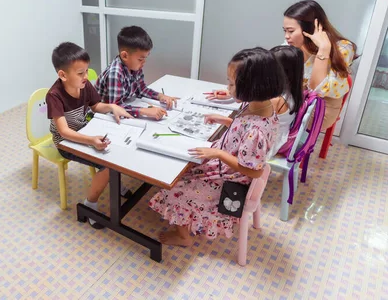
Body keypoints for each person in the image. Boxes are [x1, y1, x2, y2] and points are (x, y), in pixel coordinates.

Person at [149, 47, 283, 245]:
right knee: (181, 164)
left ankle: (183, 236)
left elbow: (254, 171)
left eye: (231, 83)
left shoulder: (258, 130)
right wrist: (226, 121)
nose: (228, 89)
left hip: (227, 179)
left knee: (175, 186)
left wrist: (218, 153)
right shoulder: (259, 105)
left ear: (253, 86)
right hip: (223, 163)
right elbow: (245, 132)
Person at [46, 42, 132, 229]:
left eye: (86, 71)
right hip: (66, 143)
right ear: (62, 75)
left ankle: (113, 182)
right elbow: (64, 132)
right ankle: (90, 204)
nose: (86, 77)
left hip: (85, 131)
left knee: (119, 149)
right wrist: (91, 141)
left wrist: (111, 107)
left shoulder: (84, 86)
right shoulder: (54, 95)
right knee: (107, 164)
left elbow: (95, 106)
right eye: (80, 73)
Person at [283, 0, 356, 129]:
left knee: (265, 114)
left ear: (310, 29)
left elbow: (318, 89)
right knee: (256, 107)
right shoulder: (292, 44)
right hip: (294, 99)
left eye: (290, 31)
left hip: (321, 108)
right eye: (285, 31)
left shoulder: (343, 48)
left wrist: (323, 49)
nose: (286, 36)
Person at [96, 26, 178, 120]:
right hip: (101, 115)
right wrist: (144, 111)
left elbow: (142, 90)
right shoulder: (115, 73)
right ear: (125, 56)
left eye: (145, 58)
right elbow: (116, 107)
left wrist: (161, 96)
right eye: (140, 59)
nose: (144, 62)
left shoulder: (135, 66)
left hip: (122, 106)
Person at [268, 45, 304, 155]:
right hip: (281, 136)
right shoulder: (291, 91)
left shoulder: (276, 100)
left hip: (271, 142)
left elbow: (255, 124)